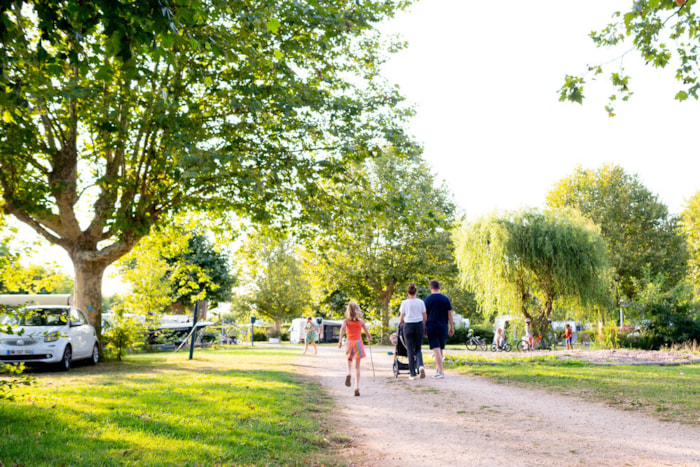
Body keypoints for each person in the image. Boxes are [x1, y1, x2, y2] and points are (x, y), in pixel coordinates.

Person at [338, 302, 371, 396]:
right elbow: (367, 334)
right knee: (357, 367)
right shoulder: (361, 322)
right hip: (358, 344)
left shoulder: (346, 321)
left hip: (349, 343)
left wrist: (340, 341)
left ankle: (348, 373)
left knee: (349, 361)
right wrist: (369, 337)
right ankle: (356, 387)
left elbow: (342, 330)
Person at [423, 280, 454, 379]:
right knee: (440, 349)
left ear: (430, 287)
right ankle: (438, 369)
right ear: (439, 287)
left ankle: (440, 371)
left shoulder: (427, 299)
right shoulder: (445, 298)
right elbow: (450, 314)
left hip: (432, 326)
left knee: (436, 350)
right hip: (443, 327)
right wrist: (451, 327)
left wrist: (424, 327)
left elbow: (425, 315)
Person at [399, 282, 427, 380]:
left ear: (407, 292)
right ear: (416, 292)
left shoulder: (404, 303)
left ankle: (412, 373)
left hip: (408, 326)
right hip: (419, 325)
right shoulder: (421, 302)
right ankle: (421, 366)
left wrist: (404, 321)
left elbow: (401, 318)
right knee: (418, 348)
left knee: (410, 349)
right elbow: (424, 316)